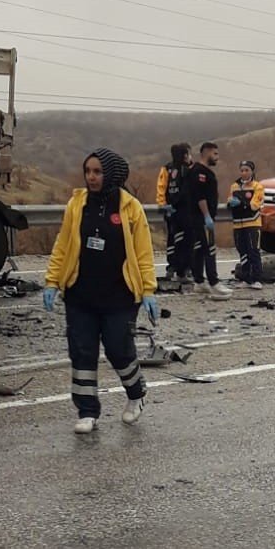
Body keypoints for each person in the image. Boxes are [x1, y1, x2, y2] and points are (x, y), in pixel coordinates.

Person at [43, 148, 157, 434]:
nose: (91, 177)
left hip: (119, 296)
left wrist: (149, 290)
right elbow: (63, 245)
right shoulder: (76, 205)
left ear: (111, 175)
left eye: (97, 172)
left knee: (119, 349)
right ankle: (87, 410)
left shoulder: (131, 208)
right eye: (88, 171)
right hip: (81, 294)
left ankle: (136, 393)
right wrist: (52, 281)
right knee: (81, 351)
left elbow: (143, 253)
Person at [183, 141, 232, 298]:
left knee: (199, 249)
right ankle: (213, 282)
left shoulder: (202, 171)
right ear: (206, 153)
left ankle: (199, 281)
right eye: (215, 154)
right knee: (209, 248)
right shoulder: (199, 172)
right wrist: (207, 216)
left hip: (198, 217)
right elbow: (200, 196)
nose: (217, 157)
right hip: (201, 217)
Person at [155, 142, 192, 284]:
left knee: (187, 241)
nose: (190, 156)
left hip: (187, 211)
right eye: (188, 153)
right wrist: (163, 205)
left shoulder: (190, 169)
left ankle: (186, 269)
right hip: (172, 210)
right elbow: (161, 187)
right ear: (184, 155)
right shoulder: (167, 169)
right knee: (173, 238)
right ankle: (172, 266)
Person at [229, 160, 265, 289]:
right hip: (238, 224)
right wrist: (231, 204)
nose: (244, 173)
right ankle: (246, 278)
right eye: (242, 170)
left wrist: (242, 204)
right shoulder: (234, 186)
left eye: (247, 170)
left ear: (252, 171)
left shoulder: (257, 186)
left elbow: (254, 205)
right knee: (242, 252)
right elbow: (230, 201)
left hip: (252, 223)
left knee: (253, 251)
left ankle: (257, 279)